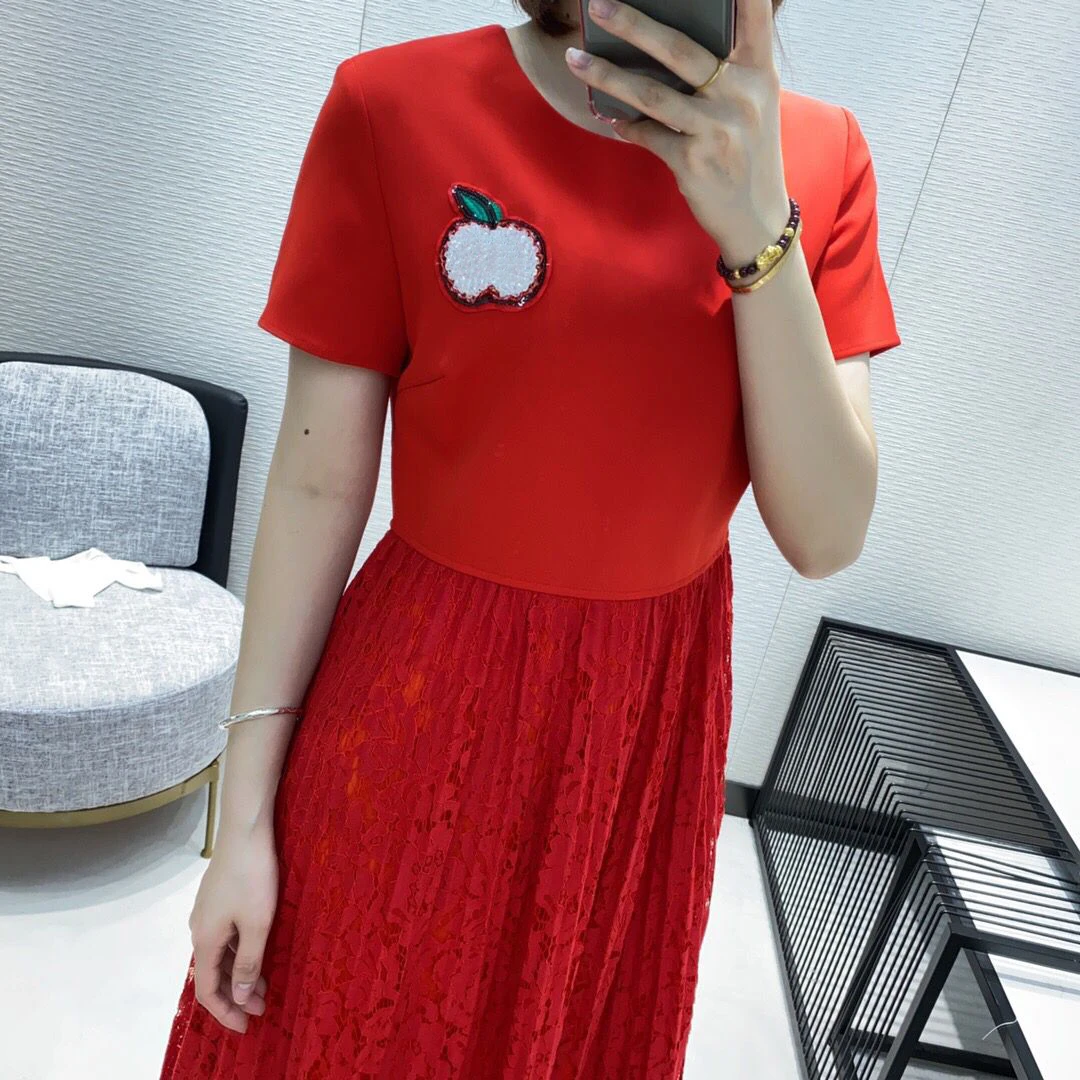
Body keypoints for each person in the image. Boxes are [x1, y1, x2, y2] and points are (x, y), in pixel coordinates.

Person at [160, 0, 900, 1075]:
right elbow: (317, 485)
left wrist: (758, 231)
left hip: (641, 736)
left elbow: (825, 535)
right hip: (421, 700)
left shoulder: (823, 159)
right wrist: (242, 823)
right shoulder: (395, 107)